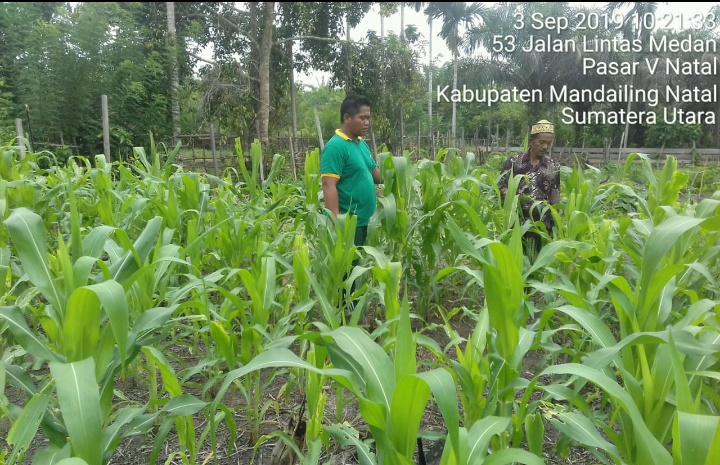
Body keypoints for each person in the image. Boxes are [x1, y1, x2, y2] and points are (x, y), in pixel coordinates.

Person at [320, 95, 382, 308]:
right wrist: (336, 221)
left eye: (368, 118)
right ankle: (343, 313)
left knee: (359, 267)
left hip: (367, 220)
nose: (367, 123)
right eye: (362, 118)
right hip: (349, 221)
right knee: (347, 270)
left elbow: (375, 174)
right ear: (347, 118)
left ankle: (352, 308)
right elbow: (329, 185)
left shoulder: (361, 145)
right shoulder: (336, 147)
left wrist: (399, 171)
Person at [498, 119, 561, 257]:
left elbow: (555, 196)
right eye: (541, 142)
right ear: (531, 140)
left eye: (549, 143)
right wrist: (508, 195)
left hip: (541, 226)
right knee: (516, 259)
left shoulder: (553, 166)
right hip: (516, 224)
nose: (545, 147)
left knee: (537, 262)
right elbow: (501, 185)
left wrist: (556, 226)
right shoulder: (514, 162)